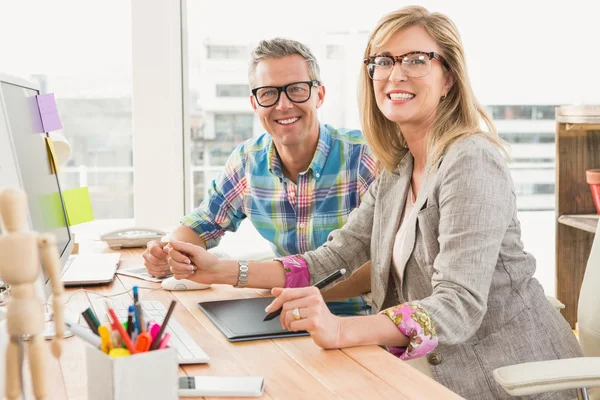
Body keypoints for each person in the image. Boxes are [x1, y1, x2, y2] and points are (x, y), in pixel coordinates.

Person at [165, 6, 584, 400]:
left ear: (449, 77)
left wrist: (342, 330)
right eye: (382, 62)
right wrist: (222, 270)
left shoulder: (470, 159)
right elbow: (334, 256)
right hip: (427, 369)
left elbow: (457, 306)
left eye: (416, 60)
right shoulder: (398, 168)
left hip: (505, 378)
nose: (395, 74)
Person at [143, 38, 376, 315]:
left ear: (320, 94)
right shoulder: (248, 161)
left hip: (355, 320)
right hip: (283, 315)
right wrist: (172, 254)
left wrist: (291, 290)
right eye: (268, 94)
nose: (283, 105)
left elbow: (378, 271)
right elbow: (201, 224)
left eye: (297, 90)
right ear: (254, 103)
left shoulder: (364, 159)